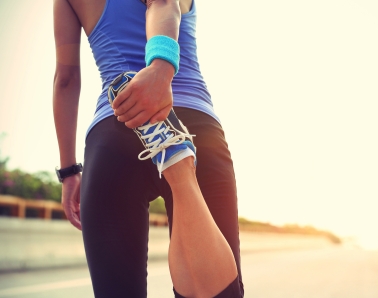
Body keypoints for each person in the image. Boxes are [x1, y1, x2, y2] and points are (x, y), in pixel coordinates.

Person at [52, 0, 244, 297]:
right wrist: (160, 69)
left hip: (115, 127)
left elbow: (65, 79)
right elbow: (164, 3)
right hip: (192, 125)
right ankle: (175, 155)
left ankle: (172, 154)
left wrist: (69, 172)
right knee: (217, 290)